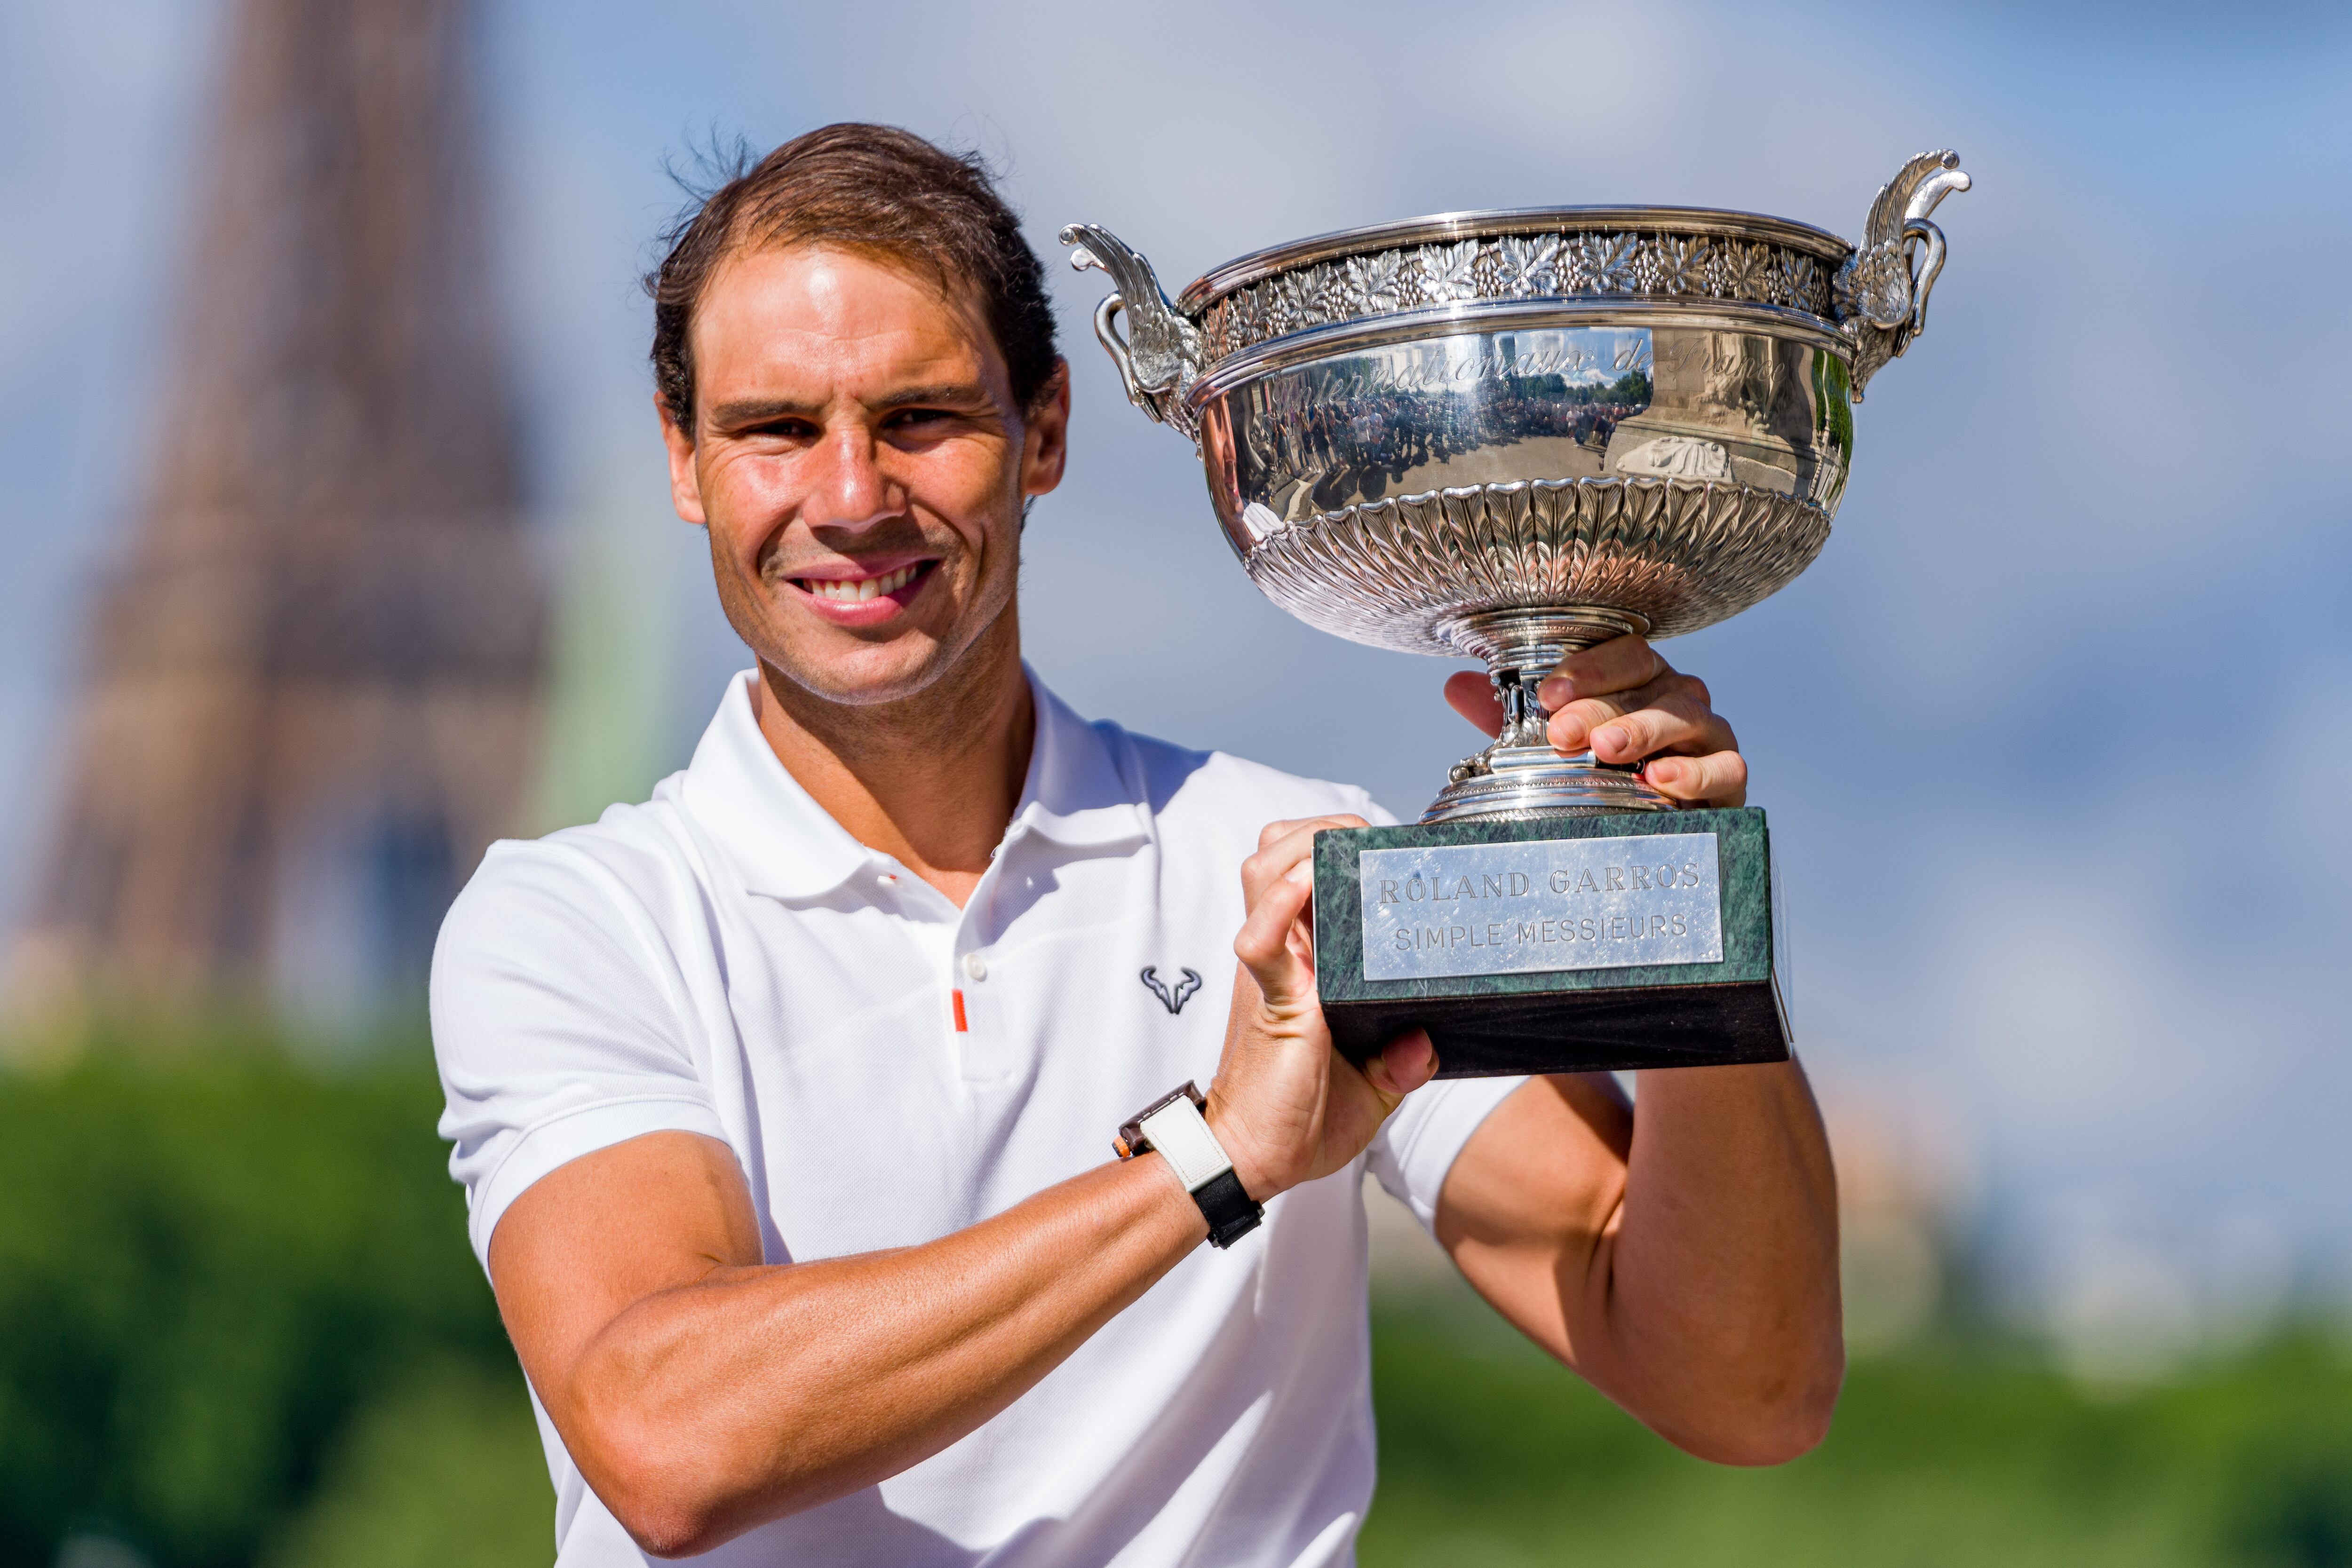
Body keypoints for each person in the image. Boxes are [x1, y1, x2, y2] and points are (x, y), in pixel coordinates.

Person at [431, 123, 1842, 1566]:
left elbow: (1749, 1387)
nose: (850, 499)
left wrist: (1687, 917)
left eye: (920, 419)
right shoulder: (576, 922)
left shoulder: (1289, 863)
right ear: (685, 458)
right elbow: (669, 1441)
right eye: (777, 429)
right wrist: (1216, 1155)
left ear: (1045, 431)